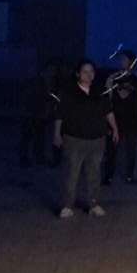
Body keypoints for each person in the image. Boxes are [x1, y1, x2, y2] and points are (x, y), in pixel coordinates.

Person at [54, 60, 118, 217]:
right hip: (74, 139)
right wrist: (57, 134)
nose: (88, 74)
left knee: (94, 173)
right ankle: (67, 205)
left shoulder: (100, 91)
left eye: (91, 71)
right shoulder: (69, 92)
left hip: (96, 139)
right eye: (84, 71)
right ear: (77, 73)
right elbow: (60, 114)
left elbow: (108, 111)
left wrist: (115, 128)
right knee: (71, 173)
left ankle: (93, 203)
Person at [102, 50, 137, 184]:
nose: (121, 61)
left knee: (131, 149)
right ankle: (108, 176)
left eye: (124, 59)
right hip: (115, 120)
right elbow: (107, 99)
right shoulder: (112, 78)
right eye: (120, 59)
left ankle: (130, 175)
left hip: (132, 121)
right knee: (111, 149)